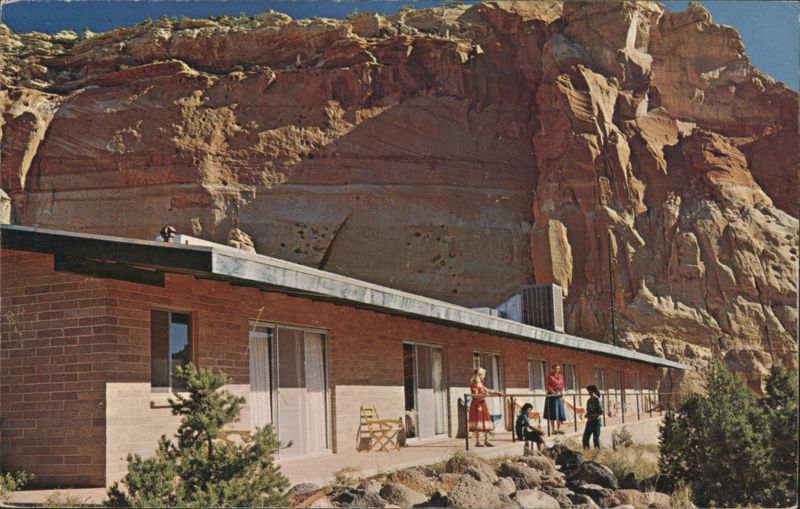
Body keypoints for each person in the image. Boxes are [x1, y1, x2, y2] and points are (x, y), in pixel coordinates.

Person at [468, 367, 501, 447]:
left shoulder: (481, 384)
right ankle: (477, 441)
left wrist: (497, 392)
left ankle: (486, 440)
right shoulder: (474, 384)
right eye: (483, 375)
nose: (484, 377)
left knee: (485, 421)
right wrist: (484, 395)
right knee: (478, 422)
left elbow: (487, 390)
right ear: (480, 375)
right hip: (477, 405)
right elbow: (474, 395)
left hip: (483, 404)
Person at [544, 364, 567, 434]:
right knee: (553, 413)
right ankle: (553, 430)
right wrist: (554, 392)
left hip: (559, 395)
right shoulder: (549, 377)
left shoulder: (561, 377)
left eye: (558, 369)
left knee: (560, 413)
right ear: (552, 369)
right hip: (552, 395)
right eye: (556, 369)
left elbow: (562, 385)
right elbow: (547, 386)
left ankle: (558, 429)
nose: (557, 370)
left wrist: (562, 392)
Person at [583, 384, 603, 449]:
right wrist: (586, 415)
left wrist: (591, 415)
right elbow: (588, 411)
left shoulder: (597, 400)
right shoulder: (588, 401)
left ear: (594, 392)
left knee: (595, 439)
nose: (589, 394)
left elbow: (601, 412)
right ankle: (586, 452)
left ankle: (597, 453)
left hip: (596, 421)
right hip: (589, 421)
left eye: (591, 392)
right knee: (585, 438)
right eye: (589, 392)